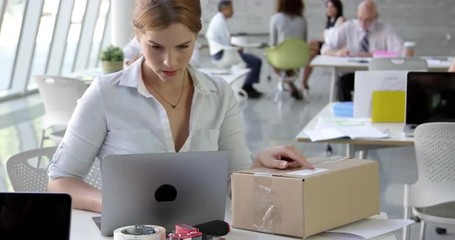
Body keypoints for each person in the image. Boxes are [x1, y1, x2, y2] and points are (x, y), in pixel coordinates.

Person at [47, 0, 314, 213]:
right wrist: (111, 204)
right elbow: (60, 181)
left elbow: (236, 184)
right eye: (155, 47)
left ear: (197, 37)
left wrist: (259, 163)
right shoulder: (105, 94)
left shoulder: (219, 93)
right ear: (137, 35)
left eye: (183, 46)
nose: (169, 61)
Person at [321, 0, 403, 101]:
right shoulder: (349, 26)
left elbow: (399, 53)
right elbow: (325, 48)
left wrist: (372, 54)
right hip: (354, 73)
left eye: (368, 20)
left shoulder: (386, 29)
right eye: (360, 18)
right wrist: (337, 53)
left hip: (377, 75)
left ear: (376, 17)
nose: (363, 23)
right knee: (341, 82)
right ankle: (346, 113)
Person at [205, 0, 263, 99]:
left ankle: (247, 86)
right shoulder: (220, 22)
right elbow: (225, 44)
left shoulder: (218, 19)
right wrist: (235, 49)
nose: (233, 11)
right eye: (231, 8)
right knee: (256, 61)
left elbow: (224, 42)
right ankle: (247, 87)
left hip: (221, 53)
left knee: (250, 60)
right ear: (224, 9)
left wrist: (235, 47)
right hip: (223, 55)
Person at [305, 0, 345, 97]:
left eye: (332, 7)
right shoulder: (329, 21)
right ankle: (304, 83)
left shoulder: (341, 20)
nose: (329, 9)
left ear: (337, 8)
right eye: (327, 7)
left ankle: (301, 78)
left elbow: (335, 38)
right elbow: (324, 38)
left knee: (310, 45)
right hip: (326, 44)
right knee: (310, 53)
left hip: (333, 46)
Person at [269, 0, 308, 100]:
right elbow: (304, 41)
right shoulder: (302, 20)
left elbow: (273, 43)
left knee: (272, 57)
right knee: (290, 61)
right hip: (299, 60)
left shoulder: (275, 18)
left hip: (281, 60)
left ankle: (288, 82)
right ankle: (290, 83)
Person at [123, 37, 201, 67]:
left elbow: (195, 61)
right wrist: (130, 62)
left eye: (181, 47)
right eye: (156, 47)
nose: (169, 62)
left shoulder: (187, 37)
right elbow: (124, 54)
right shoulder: (144, 36)